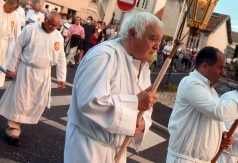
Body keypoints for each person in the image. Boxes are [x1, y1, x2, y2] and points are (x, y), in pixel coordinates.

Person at [64, 12, 163, 163]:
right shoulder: (104, 56)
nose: (157, 46)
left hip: (117, 150)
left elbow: (145, 104)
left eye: (159, 41)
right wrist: (134, 103)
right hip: (89, 148)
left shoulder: (141, 64)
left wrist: (142, 124)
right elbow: (89, 102)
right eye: (153, 39)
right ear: (132, 33)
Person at [167, 46, 238, 163]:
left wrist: (224, 135)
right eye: (220, 68)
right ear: (205, 66)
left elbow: (215, 120)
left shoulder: (210, 90)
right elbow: (217, 111)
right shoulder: (191, 83)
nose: (223, 72)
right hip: (186, 158)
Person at [0, 11, 66, 146]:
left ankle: (20, 123)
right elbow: (17, 48)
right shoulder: (30, 30)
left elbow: (61, 58)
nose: (53, 28)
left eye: (56, 26)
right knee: (20, 100)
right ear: (45, 19)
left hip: (44, 74)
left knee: (36, 102)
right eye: (51, 24)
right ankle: (14, 130)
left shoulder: (58, 37)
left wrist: (61, 77)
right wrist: (11, 68)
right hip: (26, 71)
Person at [0, 0, 21, 88]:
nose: (10, 11)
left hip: (4, 44)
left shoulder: (15, 16)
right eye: (10, 8)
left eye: (13, 10)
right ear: (6, 3)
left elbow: (18, 34)